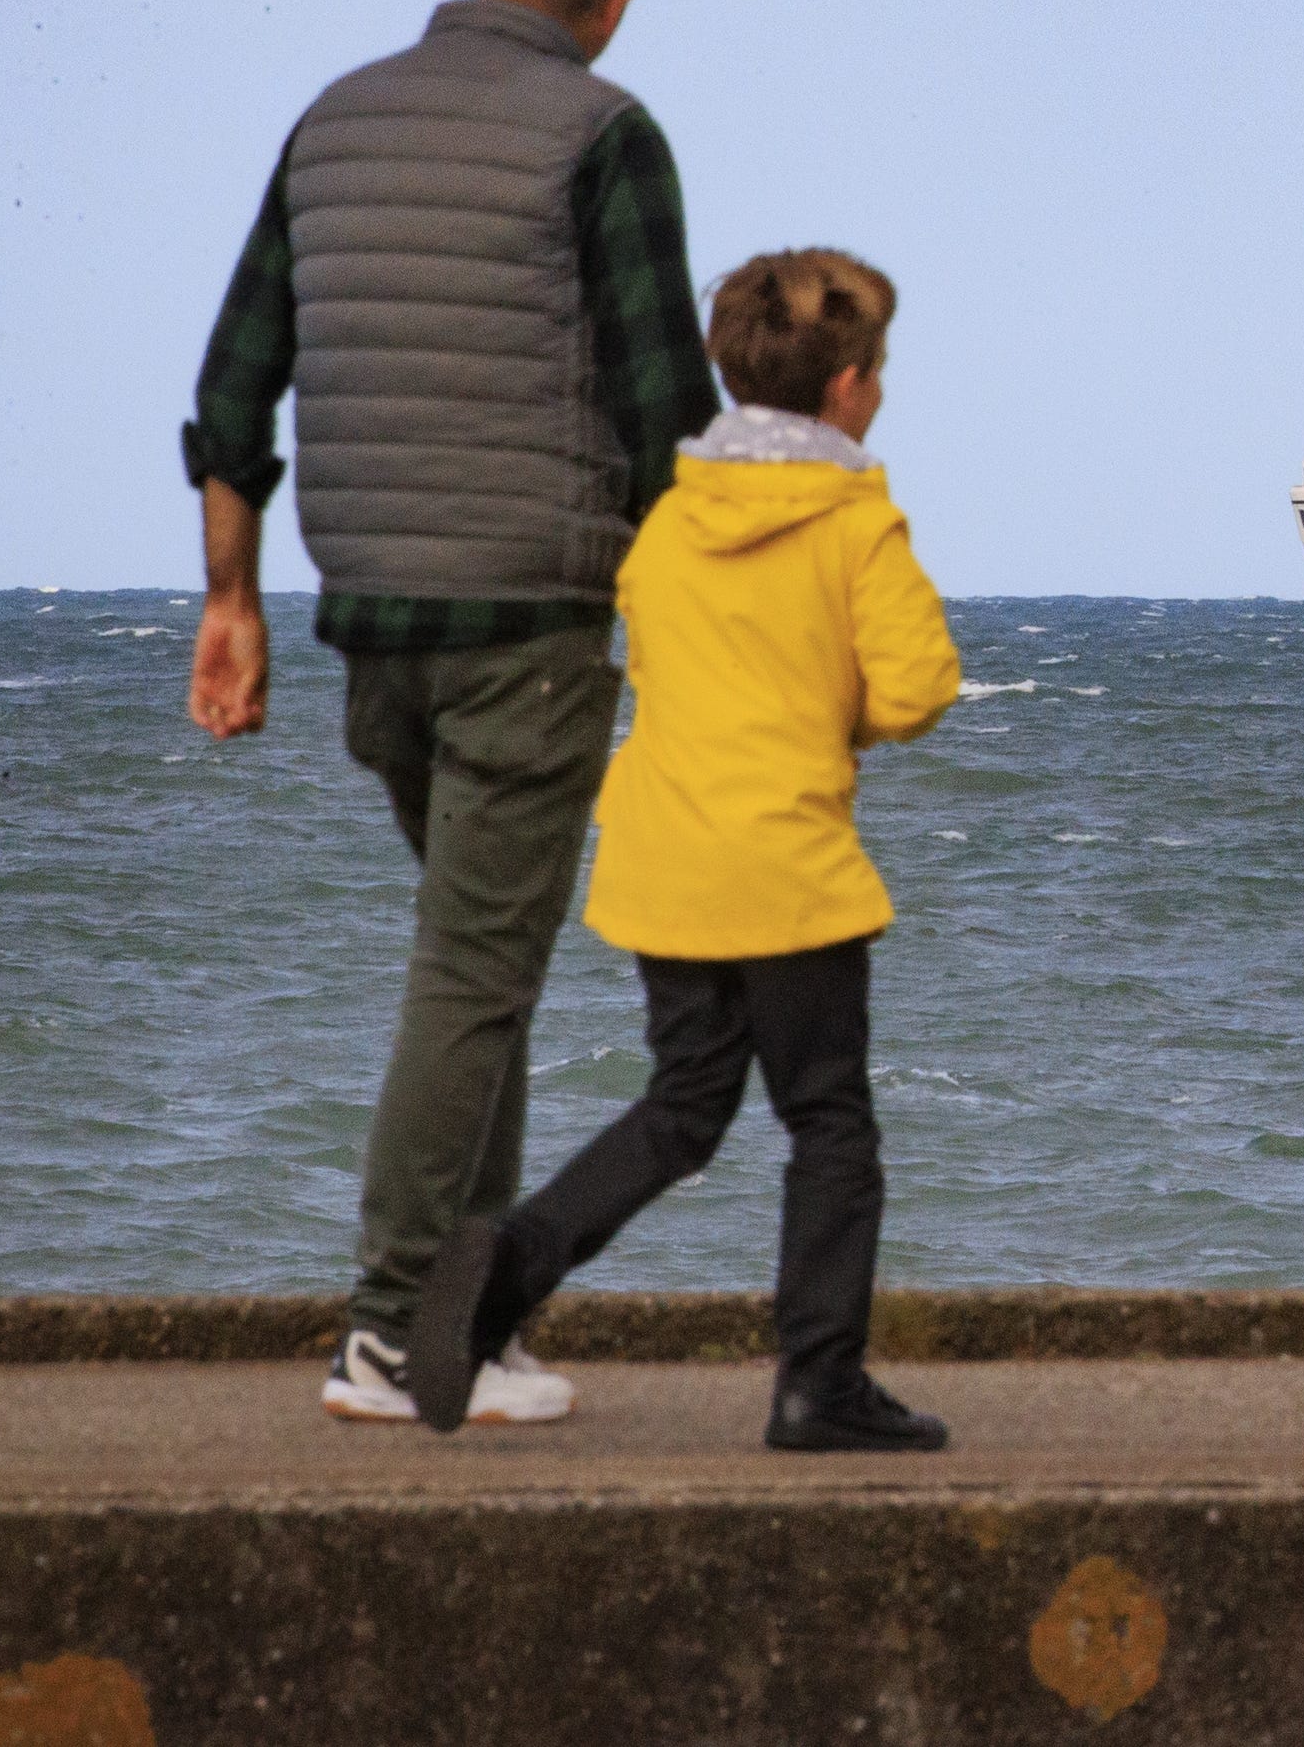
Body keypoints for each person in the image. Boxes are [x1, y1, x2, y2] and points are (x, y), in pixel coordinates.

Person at [185, 0, 715, 1426]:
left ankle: (467, 1325)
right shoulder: (605, 135)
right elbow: (663, 409)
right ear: (614, 5)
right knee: (476, 973)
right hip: (528, 628)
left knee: (481, 976)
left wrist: (230, 601)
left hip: (372, 633)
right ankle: (391, 1329)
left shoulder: (333, 120)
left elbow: (234, 387)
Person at [408, 248, 961, 1451]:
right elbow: (919, 687)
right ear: (848, 388)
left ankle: (506, 1265)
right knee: (831, 1122)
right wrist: (836, 711)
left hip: (664, 856)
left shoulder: (666, 520)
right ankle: (819, 1387)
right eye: (878, 372)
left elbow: (657, 662)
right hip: (785, 867)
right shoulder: (854, 521)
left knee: (683, 1110)